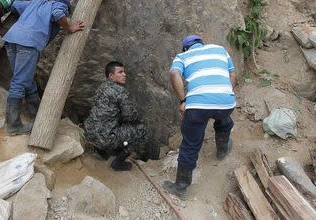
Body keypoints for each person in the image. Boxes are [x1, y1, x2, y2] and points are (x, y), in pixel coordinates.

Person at [163, 35, 236, 199]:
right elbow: (232, 75)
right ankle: (223, 150)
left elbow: (174, 74)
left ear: (185, 48)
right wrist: (224, 93)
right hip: (227, 103)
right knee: (223, 118)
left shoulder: (182, 56)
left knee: (190, 143)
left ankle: (180, 187)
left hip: (197, 107)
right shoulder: (219, 49)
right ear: (201, 44)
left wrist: (183, 101)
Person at [2, 0, 84, 135]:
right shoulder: (58, 5)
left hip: (11, 39)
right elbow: (58, 13)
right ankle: (13, 125)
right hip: (28, 42)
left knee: (24, 78)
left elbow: (14, 4)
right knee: (20, 81)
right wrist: (69, 27)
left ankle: (35, 113)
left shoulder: (35, 3)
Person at [84, 61, 160, 171]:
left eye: (124, 72)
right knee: (141, 130)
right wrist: (139, 120)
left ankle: (100, 152)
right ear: (111, 75)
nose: (124, 74)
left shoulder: (100, 88)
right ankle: (118, 162)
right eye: (120, 72)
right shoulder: (120, 91)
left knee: (107, 125)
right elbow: (129, 116)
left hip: (90, 134)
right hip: (106, 138)